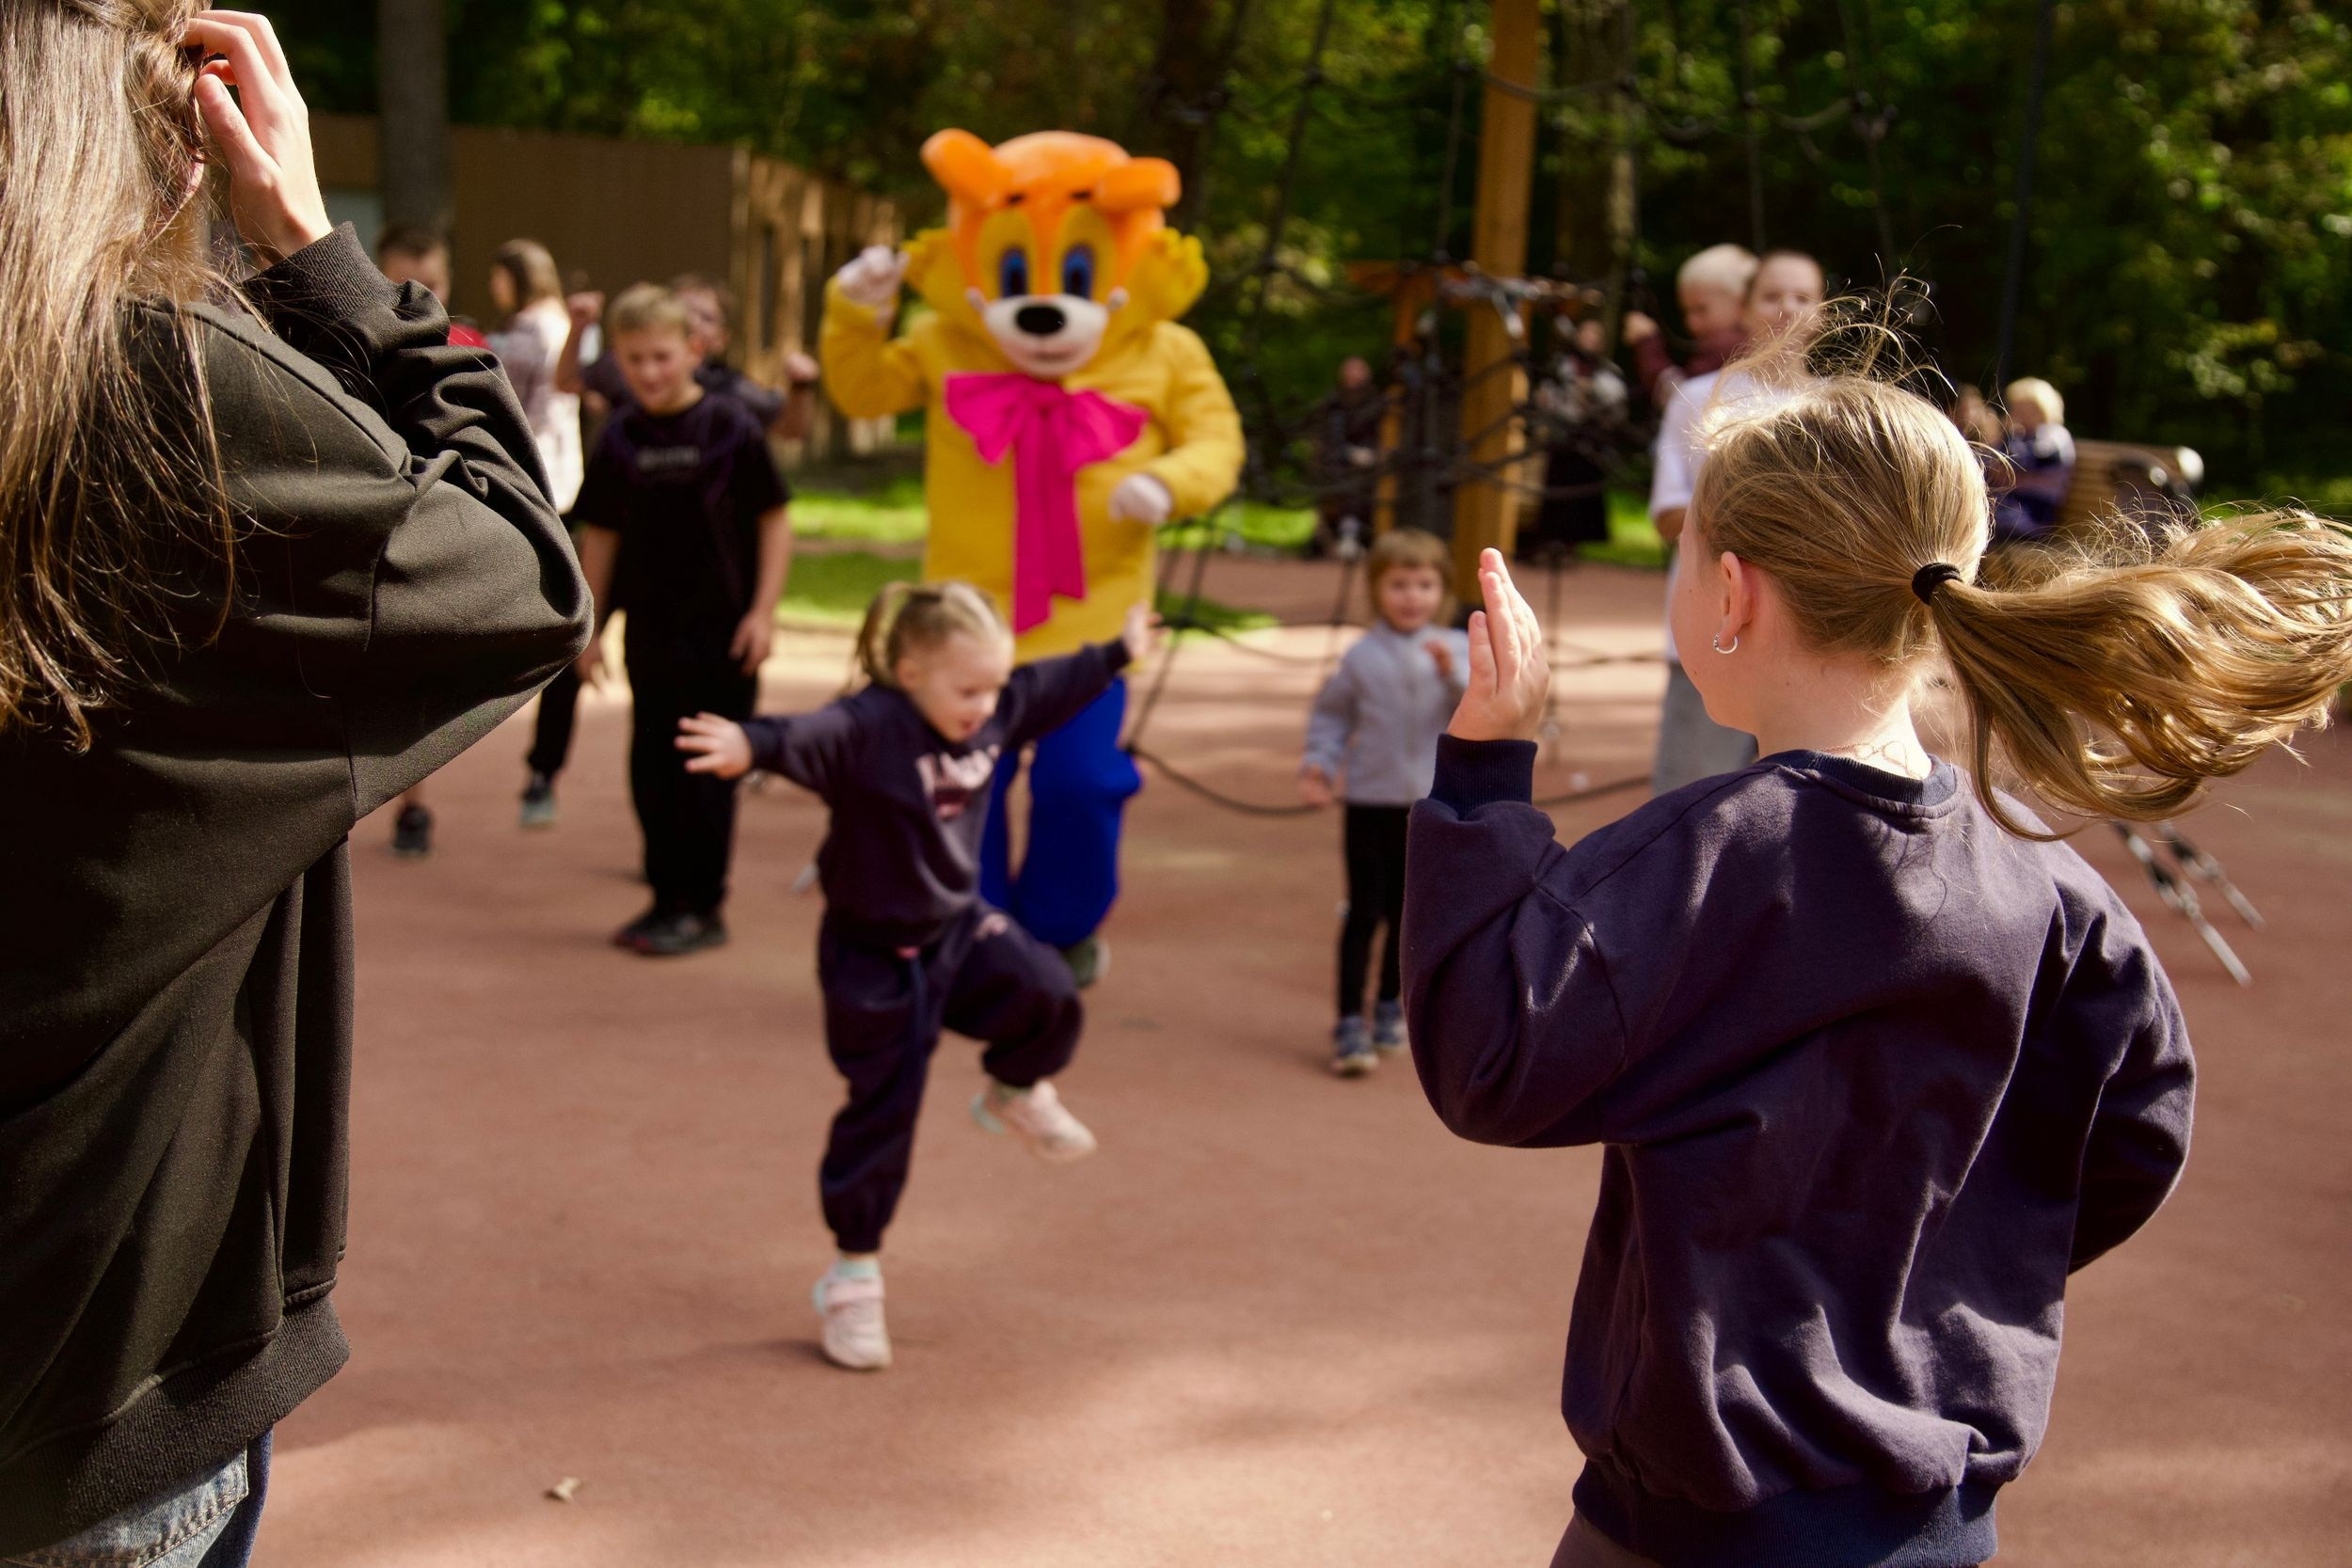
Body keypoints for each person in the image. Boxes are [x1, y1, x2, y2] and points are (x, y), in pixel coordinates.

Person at [1406, 338, 2352, 1566]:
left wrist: (1486, 771)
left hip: (1691, 1531)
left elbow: (1489, 1052)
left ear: (1734, 593)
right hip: (1929, 1526)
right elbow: (2141, 1123)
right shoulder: (2048, 883)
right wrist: (1962, 1248)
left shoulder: (1708, 855)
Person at [0, 10, 589, 1562]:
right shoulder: (175, 395)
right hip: (89, 1345)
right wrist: (320, 258)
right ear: (171, 120)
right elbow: (522, 575)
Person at [675, 583, 1159, 1371]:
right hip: (872, 958)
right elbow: (807, 731)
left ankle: (1013, 1090)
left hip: (955, 930)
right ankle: (853, 1277)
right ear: (908, 671)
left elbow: (1055, 681)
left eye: (994, 685)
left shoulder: (998, 706)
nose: (985, 705)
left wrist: (1119, 649)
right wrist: (747, 745)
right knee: (883, 1112)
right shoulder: (873, 727)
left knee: (1047, 989)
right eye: (966, 689)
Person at [571, 283, 793, 956]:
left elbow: (774, 518)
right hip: (654, 634)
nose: (650, 372)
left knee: (708, 774)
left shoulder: (731, 427)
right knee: (653, 769)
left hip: (725, 633)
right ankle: (667, 899)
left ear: (694, 350)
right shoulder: (620, 437)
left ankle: (704, 906)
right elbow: (600, 535)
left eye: (663, 356)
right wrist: (588, 625)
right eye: (635, 359)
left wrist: (763, 612)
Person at [1647, 248, 1824, 796]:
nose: (1786, 310)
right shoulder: (1696, 399)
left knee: (1801, 811)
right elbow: (1666, 514)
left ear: (1823, 313)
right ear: (1745, 308)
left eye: (1802, 297)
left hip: (1812, 633)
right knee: (1690, 803)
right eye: (1772, 295)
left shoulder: (1838, 410)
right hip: (1712, 628)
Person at [1299, 529, 1468, 1075]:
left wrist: (1453, 674)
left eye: (1424, 583)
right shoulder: (1361, 656)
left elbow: (1479, 711)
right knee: (1363, 910)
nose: (1411, 595)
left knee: (1408, 912)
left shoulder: (1456, 648)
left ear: (1441, 589)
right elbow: (1331, 715)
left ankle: (1391, 1004)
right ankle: (1349, 1020)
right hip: (1370, 801)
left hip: (1431, 803)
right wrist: (1319, 764)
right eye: (1398, 584)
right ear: (1377, 590)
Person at [372, 221, 501, 858]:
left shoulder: (469, 345)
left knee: (417, 677)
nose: (420, 294)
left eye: (434, 282)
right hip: (372, 525)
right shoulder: (351, 342)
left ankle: (413, 804)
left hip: (438, 528)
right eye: (402, 281)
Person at [479, 238, 591, 830]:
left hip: (530, 486)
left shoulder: (520, 334)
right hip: (567, 483)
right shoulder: (568, 326)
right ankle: (544, 769)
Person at [558, 273, 820, 439]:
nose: (650, 374)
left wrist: (801, 386)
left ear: (720, 339)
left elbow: (791, 429)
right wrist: (578, 328)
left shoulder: (732, 393)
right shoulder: (625, 373)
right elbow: (567, 381)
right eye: (683, 310)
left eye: (705, 317)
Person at [1520, 316, 1631, 562]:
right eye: (1586, 334)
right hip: (1562, 438)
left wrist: (1592, 393)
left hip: (1590, 440)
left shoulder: (1607, 372)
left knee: (1582, 496)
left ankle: (1572, 545)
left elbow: (1617, 409)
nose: (1590, 340)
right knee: (1556, 490)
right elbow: (1546, 398)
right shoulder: (1561, 367)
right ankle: (1550, 542)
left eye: (1596, 336)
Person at [1620, 243, 1756, 404]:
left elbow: (1681, 399)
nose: (1691, 322)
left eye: (1701, 309)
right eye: (1687, 311)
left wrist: (1647, 343)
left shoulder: (1728, 346)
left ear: (1741, 303)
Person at [1311, 355, 1386, 559]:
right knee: (1344, 480)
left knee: (1365, 481)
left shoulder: (1377, 403)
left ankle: (1355, 535)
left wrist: (1370, 454)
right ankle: (1344, 535)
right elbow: (1325, 437)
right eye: (1350, 371)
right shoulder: (1334, 402)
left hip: (1372, 462)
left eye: (1358, 371)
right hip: (1337, 462)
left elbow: (1381, 436)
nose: (1353, 376)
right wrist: (1347, 453)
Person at [1991, 375, 2076, 544]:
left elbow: (2031, 461)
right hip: (2012, 510)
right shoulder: (2021, 437)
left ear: (2044, 408)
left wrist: (2008, 436)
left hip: (2033, 516)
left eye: (2027, 409)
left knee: (1982, 523)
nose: (2019, 415)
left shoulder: (2055, 435)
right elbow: (1993, 466)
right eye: (2016, 408)